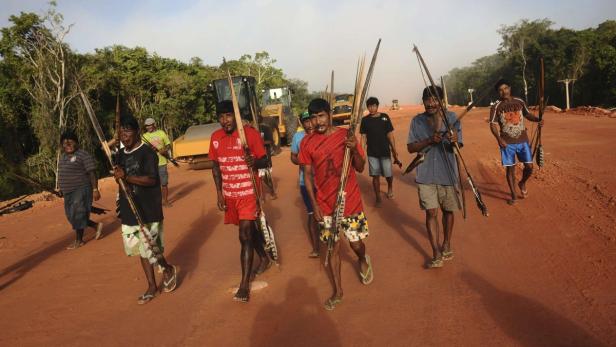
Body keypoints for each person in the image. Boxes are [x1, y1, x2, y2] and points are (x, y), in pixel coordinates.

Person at [300, 98, 373, 311]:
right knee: (332, 248)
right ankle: (338, 291)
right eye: (313, 118)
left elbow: (360, 167)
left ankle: (363, 258)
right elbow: (307, 175)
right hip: (325, 204)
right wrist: (315, 206)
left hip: (349, 201)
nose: (317, 122)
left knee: (355, 244)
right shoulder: (307, 142)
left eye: (321, 116)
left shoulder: (345, 136)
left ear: (329, 114)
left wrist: (353, 148)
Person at [209, 100, 272, 303]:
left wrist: (255, 161)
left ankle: (244, 284)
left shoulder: (249, 134)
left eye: (229, 116)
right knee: (249, 232)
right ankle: (263, 257)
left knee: (244, 235)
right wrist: (219, 193)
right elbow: (216, 167)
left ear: (235, 116)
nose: (225, 120)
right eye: (221, 116)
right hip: (230, 194)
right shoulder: (215, 137)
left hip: (248, 192)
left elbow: (265, 160)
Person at [114, 116, 177, 304]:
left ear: (137, 132)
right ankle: (157, 278)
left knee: (149, 247)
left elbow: (151, 180)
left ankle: (162, 273)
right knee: (141, 250)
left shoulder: (148, 153)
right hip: (129, 208)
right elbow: (119, 176)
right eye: (121, 133)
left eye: (128, 132)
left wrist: (126, 177)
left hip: (148, 208)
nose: (124, 136)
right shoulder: (120, 154)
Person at [407, 86, 462, 269]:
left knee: (448, 211)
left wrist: (454, 139)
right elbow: (411, 147)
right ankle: (436, 252)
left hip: (447, 172)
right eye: (427, 100)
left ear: (441, 101)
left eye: (434, 99)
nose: (430, 103)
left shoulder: (452, 118)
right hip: (425, 173)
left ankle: (446, 243)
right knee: (431, 212)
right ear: (423, 101)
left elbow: (458, 144)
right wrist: (429, 140)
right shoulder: (417, 121)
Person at [489, 79, 544, 205]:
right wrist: (499, 139)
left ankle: (522, 182)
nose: (504, 92)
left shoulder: (519, 101)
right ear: (498, 93)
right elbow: (492, 125)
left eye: (505, 88)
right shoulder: (496, 106)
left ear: (510, 88)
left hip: (522, 140)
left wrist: (538, 119)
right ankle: (513, 195)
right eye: (500, 90)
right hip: (506, 143)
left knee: (529, 167)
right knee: (510, 170)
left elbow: (527, 114)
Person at [57, 130, 103, 249]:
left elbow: (92, 172)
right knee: (71, 216)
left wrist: (95, 189)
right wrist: (61, 188)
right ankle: (95, 225)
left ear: (76, 143)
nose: (68, 146)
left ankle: (79, 240)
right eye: (65, 144)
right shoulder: (62, 158)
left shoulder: (83, 155)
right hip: (68, 192)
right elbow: (62, 173)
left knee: (78, 214)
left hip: (82, 189)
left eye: (71, 143)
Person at [359, 97, 402, 207]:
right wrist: (361, 152)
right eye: (369, 106)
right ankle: (378, 197)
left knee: (388, 174)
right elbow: (363, 137)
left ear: (377, 106)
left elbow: (390, 135)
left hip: (384, 151)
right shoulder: (365, 120)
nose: (372, 108)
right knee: (375, 175)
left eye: (374, 106)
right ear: (367, 107)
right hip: (372, 152)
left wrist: (394, 150)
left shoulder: (385, 117)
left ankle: (390, 187)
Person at [290, 111, 319, 258]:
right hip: (305, 182)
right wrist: (302, 162)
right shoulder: (298, 137)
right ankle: (315, 247)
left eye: (310, 120)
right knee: (312, 214)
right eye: (305, 121)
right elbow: (293, 157)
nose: (309, 124)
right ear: (302, 123)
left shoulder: (321, 134)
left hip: (323, 182)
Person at [142, 118, 172, 207]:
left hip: (162, 162)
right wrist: (150, 149)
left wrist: (164, 150)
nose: (148, 127)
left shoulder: (161, 133)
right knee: (152, 184)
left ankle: (165, 201)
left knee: (164, 183)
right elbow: (143, 150)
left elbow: (168, 145)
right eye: (147, 125)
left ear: (154, 124)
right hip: (151, 164)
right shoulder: (144, 136)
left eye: (150, 125)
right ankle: (155, 202)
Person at [257, 116, 278, 200]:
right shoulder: (252, 130)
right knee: (260, 176)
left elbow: (270, 141)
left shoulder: (265, 128)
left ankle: (272, 191)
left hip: (265, 156)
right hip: (257, 157)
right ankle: (261, 196)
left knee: (266, 176)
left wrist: (260, 142)